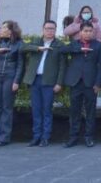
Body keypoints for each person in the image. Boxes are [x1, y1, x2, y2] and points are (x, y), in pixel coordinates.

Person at [60, 21, 101, 147]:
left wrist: (98, 83)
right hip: (75, 82)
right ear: (80, 32)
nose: (88, 33)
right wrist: (79, 49)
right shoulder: (75, 44)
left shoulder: (98, 45)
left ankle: (89, 137)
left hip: (91, 83)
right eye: (85, 31)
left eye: (90, 31)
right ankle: (73, 137)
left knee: (90, 111)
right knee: (75, 111)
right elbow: (62, 50)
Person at [22, 19, 66, 147]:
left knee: (46, 110)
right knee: (36, 109)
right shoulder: (36, 41)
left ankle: (45, 137)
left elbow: (62, 66)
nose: (49, 31)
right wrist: (37, 48)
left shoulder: (59, 45)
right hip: (35, 80)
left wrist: (59, 83)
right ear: (43, 29)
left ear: (55, 30)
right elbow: (22, 48)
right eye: (47, 28)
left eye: (52, 29)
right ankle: (36, 136)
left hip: (49, 81)